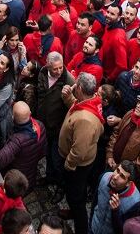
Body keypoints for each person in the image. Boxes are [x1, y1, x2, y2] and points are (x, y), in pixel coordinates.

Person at [60, 72, 106, 234]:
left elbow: (79, 151)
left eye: (75, 85)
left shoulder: (86, 119)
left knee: (76, 197)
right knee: (74, 194)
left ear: (79, 88)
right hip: (79, 162)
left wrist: (68, 164)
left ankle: (81, 227)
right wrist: (68, 98)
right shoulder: (89, 103)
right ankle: (73, 211)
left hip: (77, 166)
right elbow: (77, 108)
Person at [91, 160, 140, 234]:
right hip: (94, 228)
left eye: (122, 176)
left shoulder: (134, 202)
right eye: (117, 170)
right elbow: (94, 203)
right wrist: (90, 224)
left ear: (128, 183)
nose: (115, 177)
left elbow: (124, 231)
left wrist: (115, 212)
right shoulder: (104, 177)